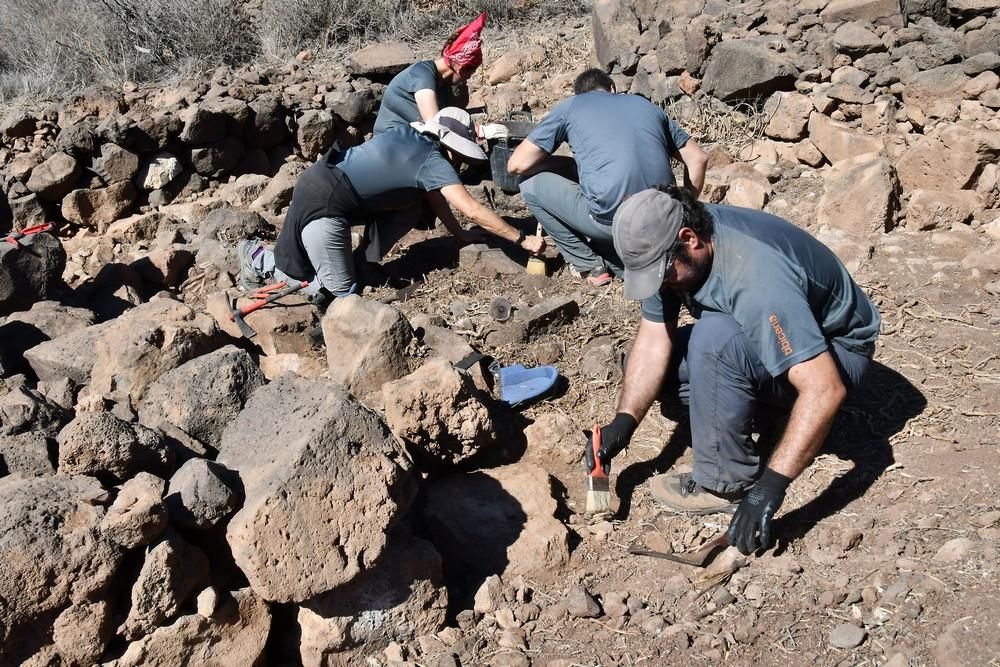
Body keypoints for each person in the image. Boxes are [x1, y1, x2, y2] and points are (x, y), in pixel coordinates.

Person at [587, 185, 881, 555]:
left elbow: (825, 389)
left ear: (689, 239)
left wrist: (768, 489)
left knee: (716, 343)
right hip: (762, 330)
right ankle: (768, 411)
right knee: (646, 365)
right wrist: (624, 424)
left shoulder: (756, 276)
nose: (661, 284)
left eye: (663, 274)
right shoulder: (665, 238)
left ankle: (725, 483)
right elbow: (652, 342)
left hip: (835, 352)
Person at [238, 108, 545, 306]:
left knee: (412, 204)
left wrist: (461, 236)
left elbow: (435, 199)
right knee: (341, 296)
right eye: (462, 156)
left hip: (320, 181)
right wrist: (521, 238)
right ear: (453, 148)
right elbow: (472, 209)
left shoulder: (407, 134)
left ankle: (363, 261)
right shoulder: (433, 160)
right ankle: (257, 257)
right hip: (327, 206)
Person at [506, 68, 707, 286]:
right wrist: (685, 210)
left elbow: (516, 165)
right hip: (667, 218)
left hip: (617, 225)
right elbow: (698, 159)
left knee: (528, 184)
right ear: (613, 88)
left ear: (579, 94)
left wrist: (558, 163)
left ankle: (590, 265)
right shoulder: (645, 105)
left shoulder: (571, 107)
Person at [372, 12, 488, 135]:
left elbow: (448, 120)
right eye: (468, 75)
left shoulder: (442, 84)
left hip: (410, 140)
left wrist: (476, 129)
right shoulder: (422, 75)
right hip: (390, 143)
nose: (465, 80)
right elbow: (435, 125)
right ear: (460, 69)